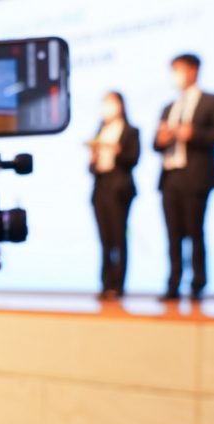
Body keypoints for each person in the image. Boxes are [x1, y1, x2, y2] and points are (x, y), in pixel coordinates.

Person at [153, 53, 214, 301]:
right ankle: (173, 283)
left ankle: (198, 283)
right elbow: (155, 144)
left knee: (195, 231)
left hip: (197, 175)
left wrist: (193, 134)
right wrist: (162, 139)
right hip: (170, 176)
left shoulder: (213, 101)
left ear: (193, 70)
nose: (175, 76)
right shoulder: (169, 107)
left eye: (179, 69)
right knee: (173, 234)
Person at [89, 91, 141, 299]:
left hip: (120, 188)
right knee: (105, 239)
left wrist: (118, 151)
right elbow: (92, 168)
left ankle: (118, 285)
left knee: (119, 237)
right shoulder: (100, 129)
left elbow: (133, 159)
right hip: (100, 186)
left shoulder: (130, 131)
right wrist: (93, 158)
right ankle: (105, 283)